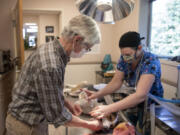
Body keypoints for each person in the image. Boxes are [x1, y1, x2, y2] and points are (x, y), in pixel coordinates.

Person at [5, 15, 102, 135]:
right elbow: (56, 115)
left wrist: (66, 103)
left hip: (30, 119)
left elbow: (48, 91)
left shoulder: (53, 50)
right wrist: (89, 124)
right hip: (25, 126)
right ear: (77, 40)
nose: (85, 52)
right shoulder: (51, 64)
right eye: (87, 48)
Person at [84, 31, 164, 129]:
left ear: (139, 48)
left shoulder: (151, 61)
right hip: (132, 99)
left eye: (128, 54)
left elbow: (141, 95)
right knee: (127, 127)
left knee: (143, 129)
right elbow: (116, 82)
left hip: (149, 104)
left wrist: (109, 108)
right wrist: (97, 94)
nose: (125, 58)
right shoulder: (124, 59)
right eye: (123, 54)